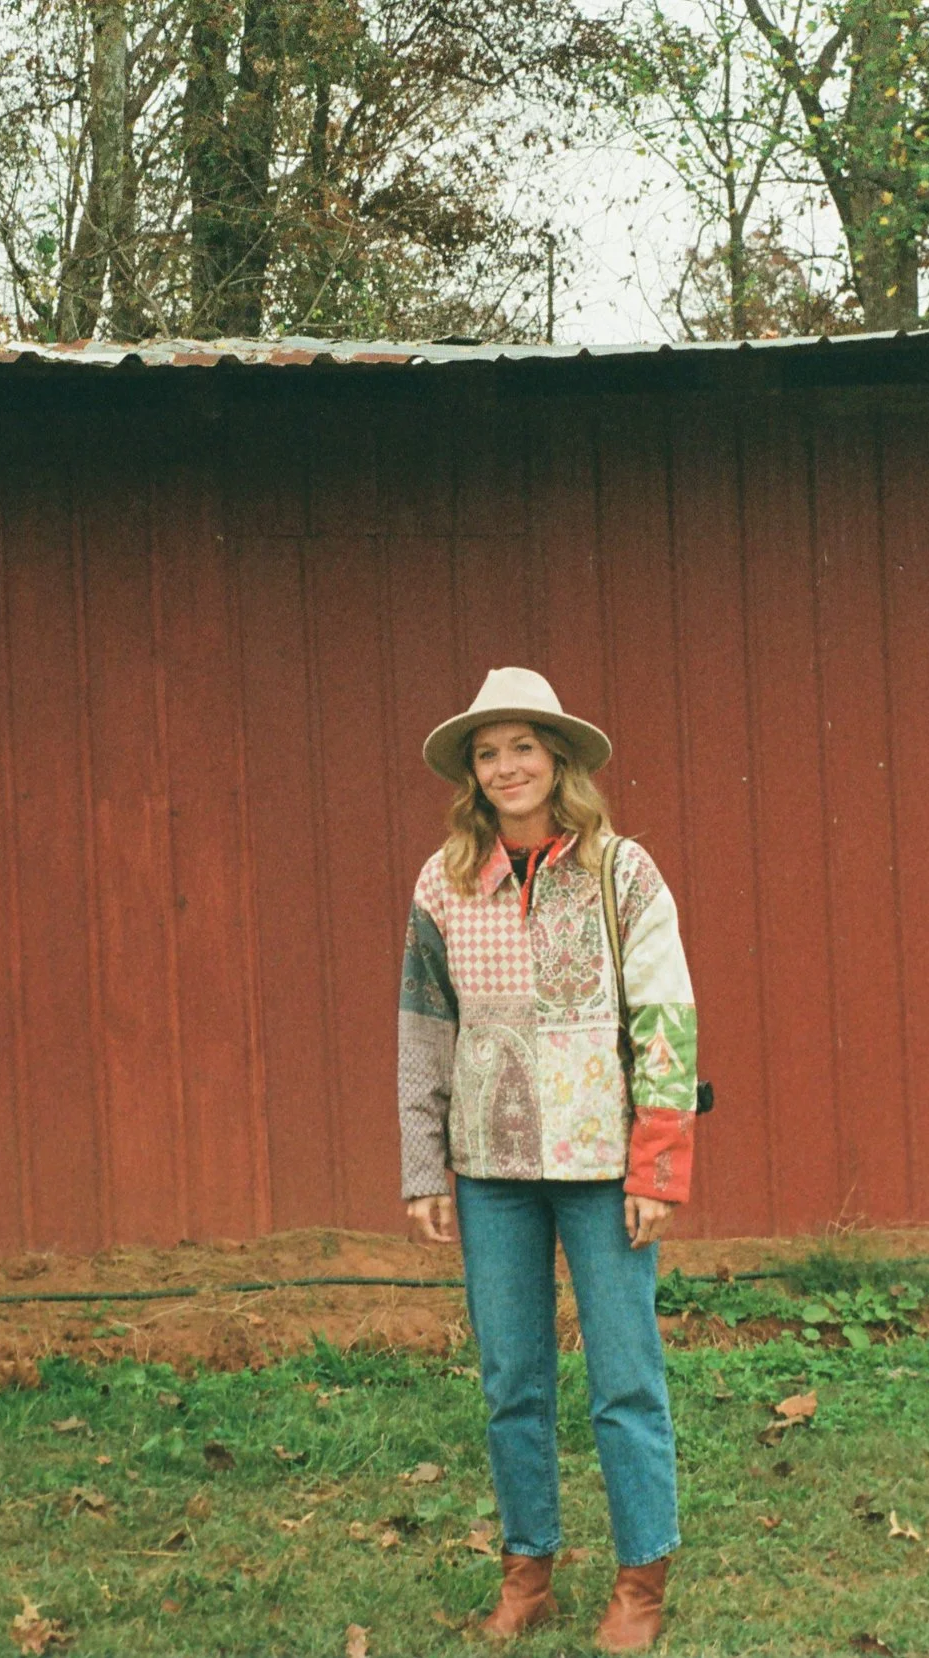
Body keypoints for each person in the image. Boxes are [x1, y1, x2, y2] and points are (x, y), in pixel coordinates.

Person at [398, 666, 698, 1653]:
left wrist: (658, 1162)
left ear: (557, 758)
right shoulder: (442, 880)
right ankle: (528, 1567)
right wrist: (424, 1162)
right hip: (491, 1173)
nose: (506, 765)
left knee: (623, 1377)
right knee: (510, 1378)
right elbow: (423, 1028)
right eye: (488, 752)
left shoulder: (621, 871)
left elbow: (665, 1016)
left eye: (523, 745)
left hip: (604, 1166)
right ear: (471, 774)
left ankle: (640, 1579)